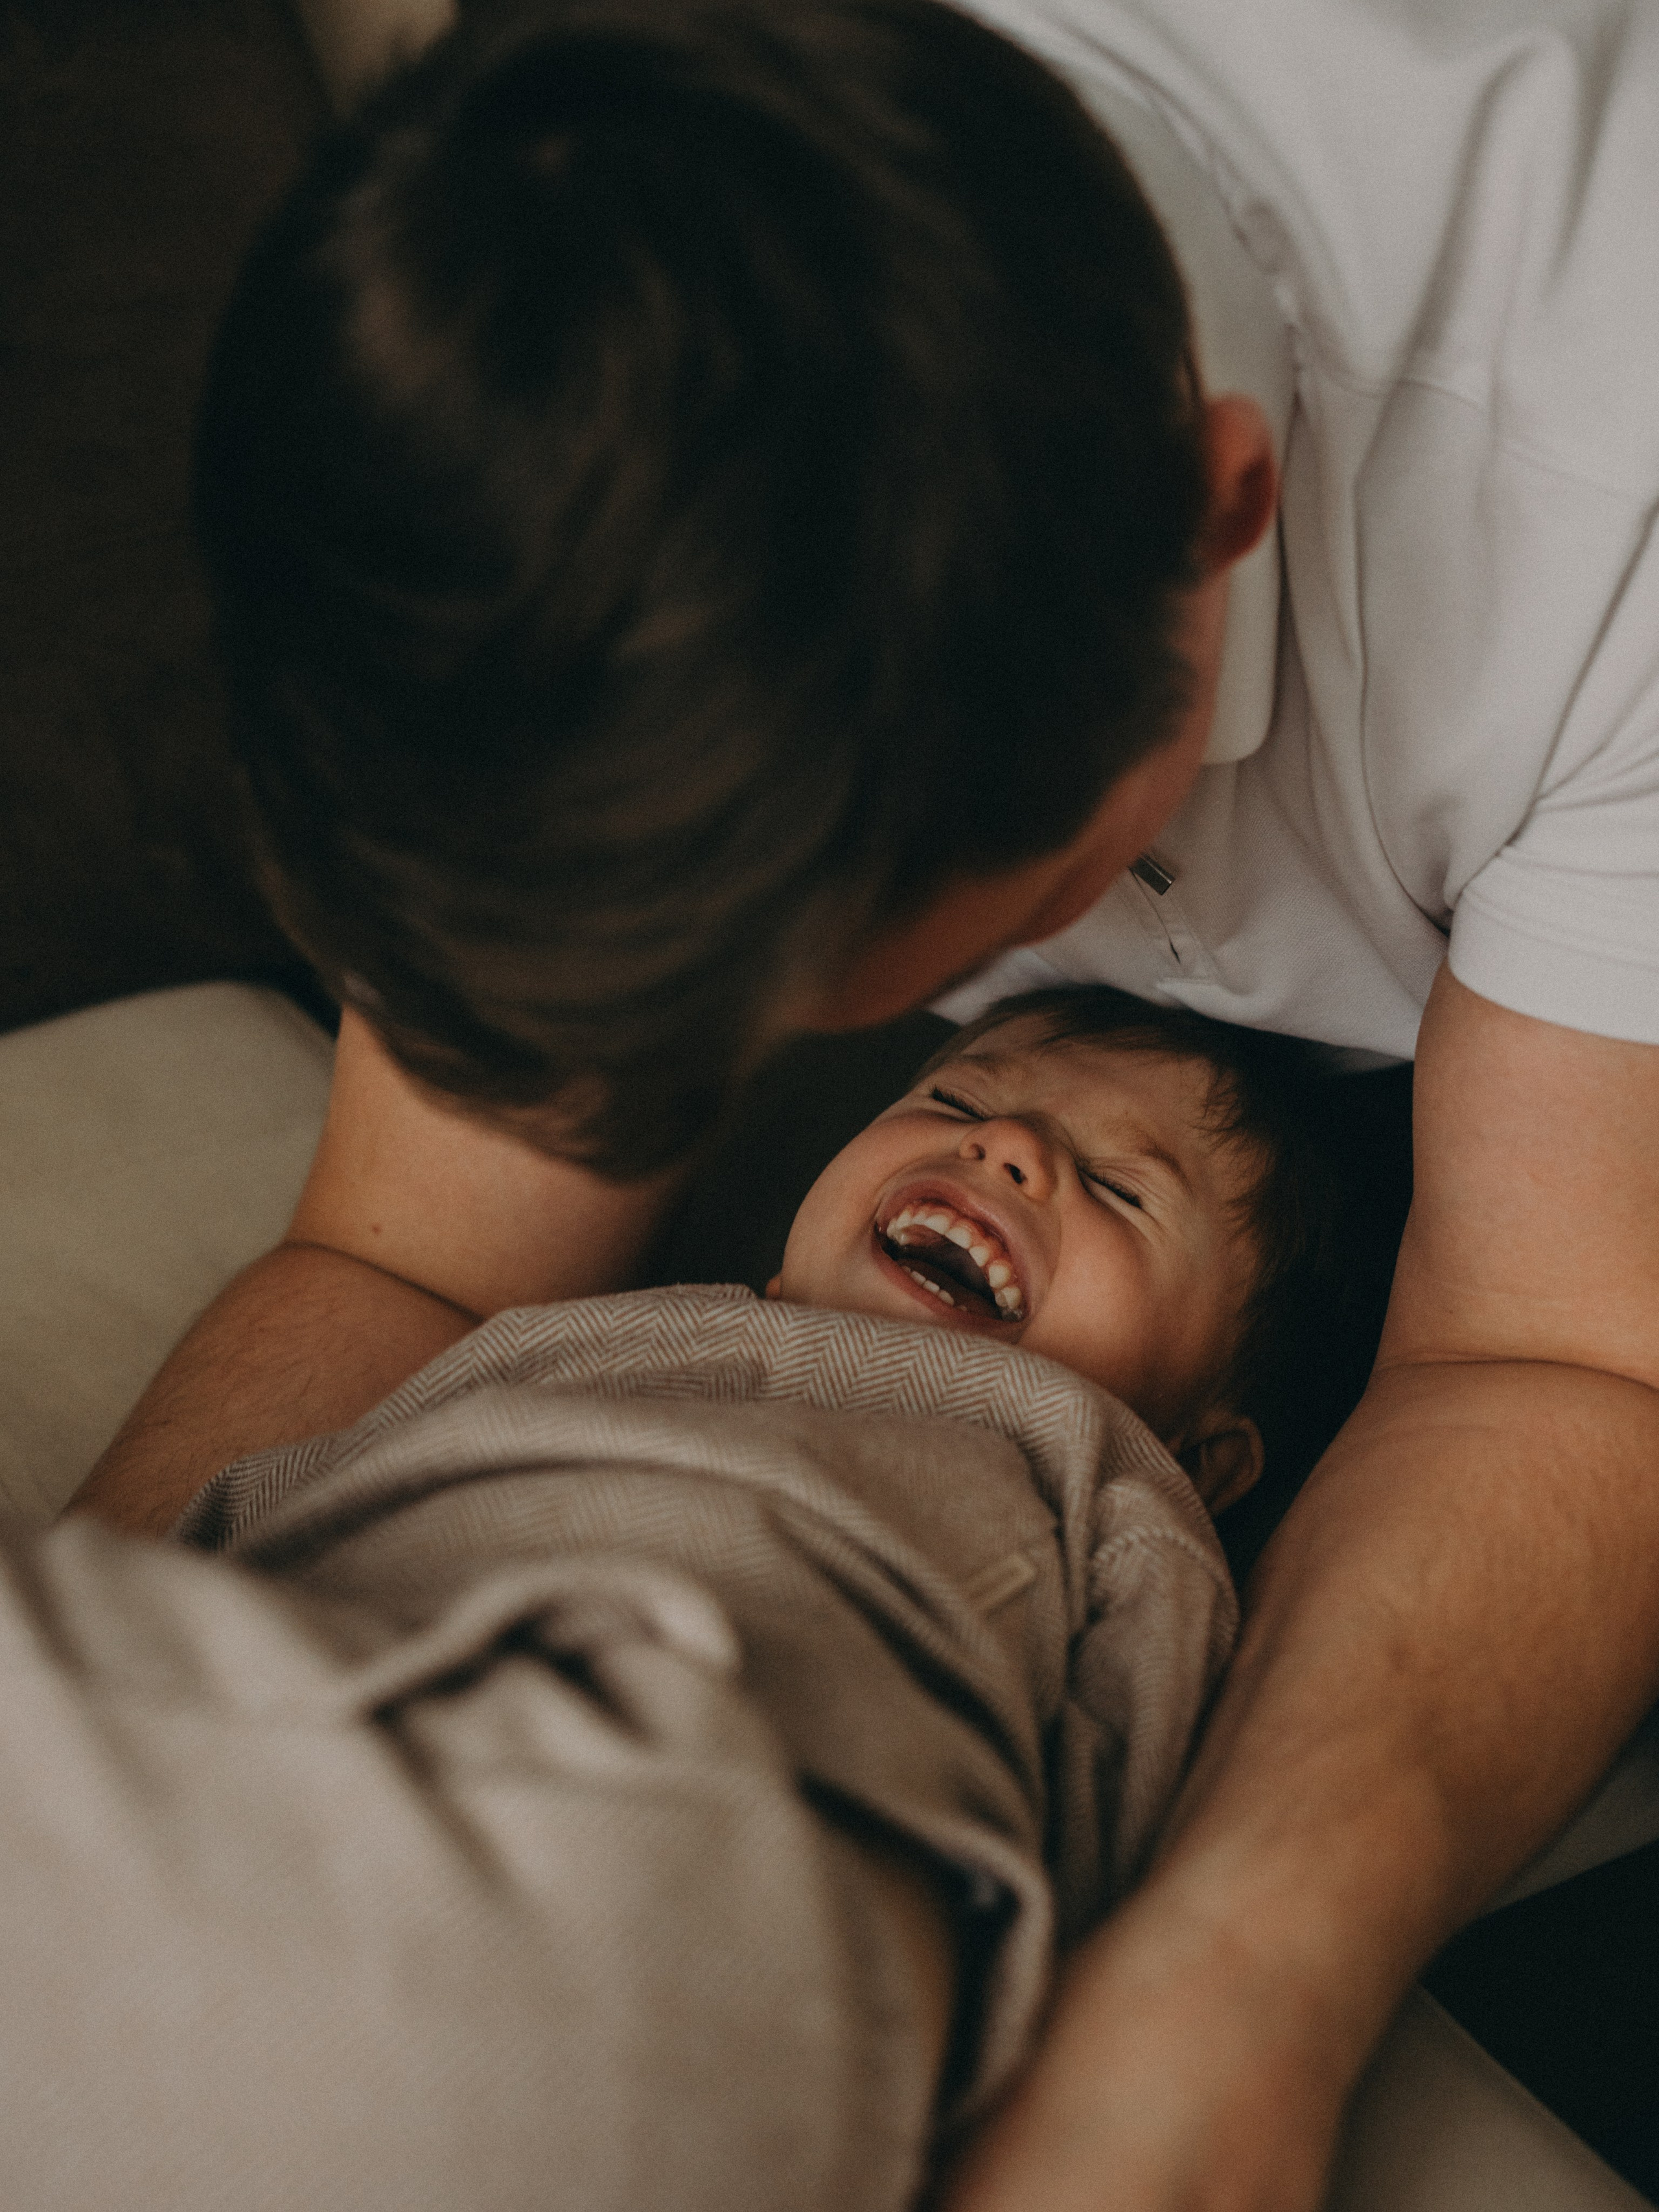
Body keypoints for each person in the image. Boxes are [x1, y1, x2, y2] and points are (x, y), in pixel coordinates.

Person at [67, 2, 1659, 2207]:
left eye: (865, 975)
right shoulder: (565, 317)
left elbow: (1549, 1353)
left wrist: (1227, 2001)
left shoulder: (1601, 456)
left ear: (1218, 531)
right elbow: (407, 1244)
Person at [14, 989, 1380, 2210]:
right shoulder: (592, 1340)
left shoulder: (1109, 1496)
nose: (1006, 1148)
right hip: (309, 1759)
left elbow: (1122, 1805)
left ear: (1204, 1459)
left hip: (687, 1857)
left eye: (1123, 1191)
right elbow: (292, 1500)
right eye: (955, 1100)